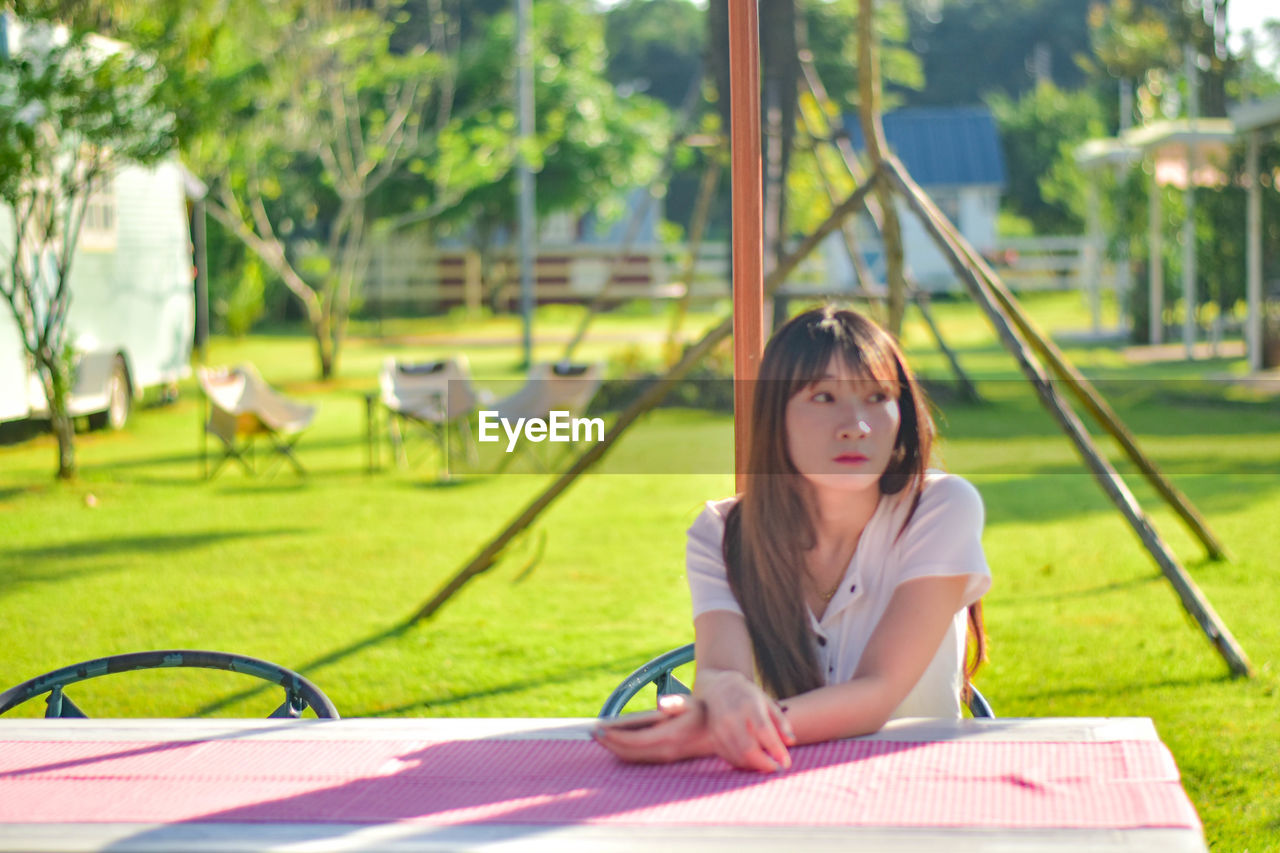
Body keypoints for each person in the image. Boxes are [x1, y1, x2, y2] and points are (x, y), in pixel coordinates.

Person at [593, 306, 990, 772]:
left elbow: (878, 691)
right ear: (774, 416)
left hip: (919, 790)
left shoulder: (940, 507)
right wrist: (724, 692)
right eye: (824, 397)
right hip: (773, 789)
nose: (855, 425)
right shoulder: (722, 533)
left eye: (877, 397)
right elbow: (722, 669)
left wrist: (721, 730)